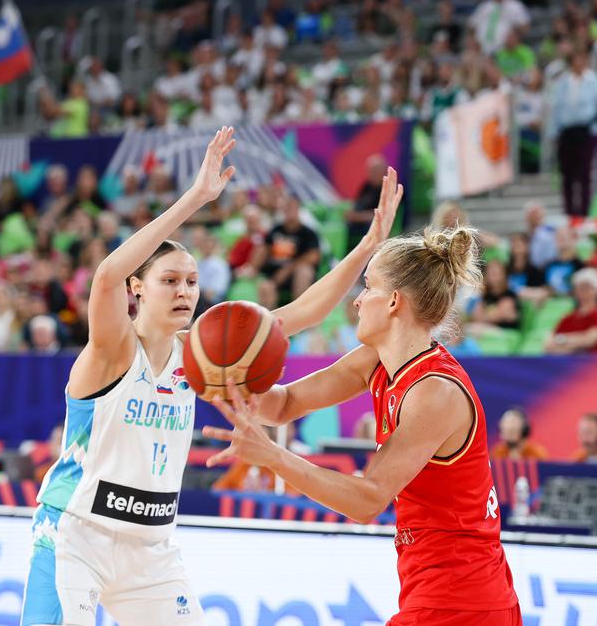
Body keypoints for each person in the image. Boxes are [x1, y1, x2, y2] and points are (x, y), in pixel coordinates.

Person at [21, 127, 405, 625]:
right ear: (138, 287)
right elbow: (105, 277)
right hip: (76, 533)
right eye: (169, 280)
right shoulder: (113, 350)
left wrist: (368, 245)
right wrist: (197, 198)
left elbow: (305, 311)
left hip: (151, 547)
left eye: (192, 281)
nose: (184, 291)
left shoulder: (202, 354)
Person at [204, 225, 521, 625]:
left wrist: (273, 456)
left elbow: (368, 500)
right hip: (445, 592)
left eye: (368, 287)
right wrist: (230, 377)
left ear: (393, 302)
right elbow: (283, 404)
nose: (356, 300)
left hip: (463, 599)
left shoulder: (435, 392)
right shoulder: (376, 360)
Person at [548, 47, 597, 216]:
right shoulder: (562, 82)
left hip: (587, 130)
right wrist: (553, 133)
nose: (579, 63)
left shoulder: (594, 80)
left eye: (582, 59)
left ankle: (584, 211)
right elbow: (555, 108)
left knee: (584, 173)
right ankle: (569, 212)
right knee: (567, 174)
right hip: (567, 131)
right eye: (576, 59)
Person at [545, 268, 597, 353]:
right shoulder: (568, 317)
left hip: (593, 360)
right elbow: (548, 345)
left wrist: (562, 340)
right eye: (580, 288)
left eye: (588, 287)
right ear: (575, 291)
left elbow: (589, 340)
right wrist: (575, 343)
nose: (584, 292)